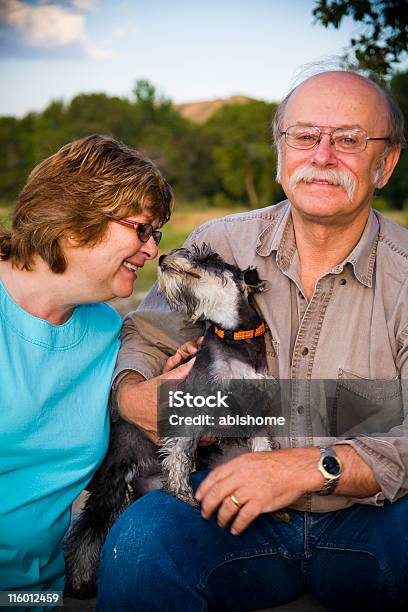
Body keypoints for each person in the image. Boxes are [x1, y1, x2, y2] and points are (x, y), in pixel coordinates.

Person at [97, 71, 408, 611]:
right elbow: (146, 336)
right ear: (279, 153)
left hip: (378, 515)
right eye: (305, 135)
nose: (325, 155)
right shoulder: (219, 242)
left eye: (351, 139)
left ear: (386, 163)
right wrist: (133, 396)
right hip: (226, 509)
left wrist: (315, 466)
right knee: (144, 541)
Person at [0, 134, 197, 607]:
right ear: (74, 221)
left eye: (156, 234)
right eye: (142, 229)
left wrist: (162, 396)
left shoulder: (107, 331)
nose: (151, 250)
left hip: (36, 596)